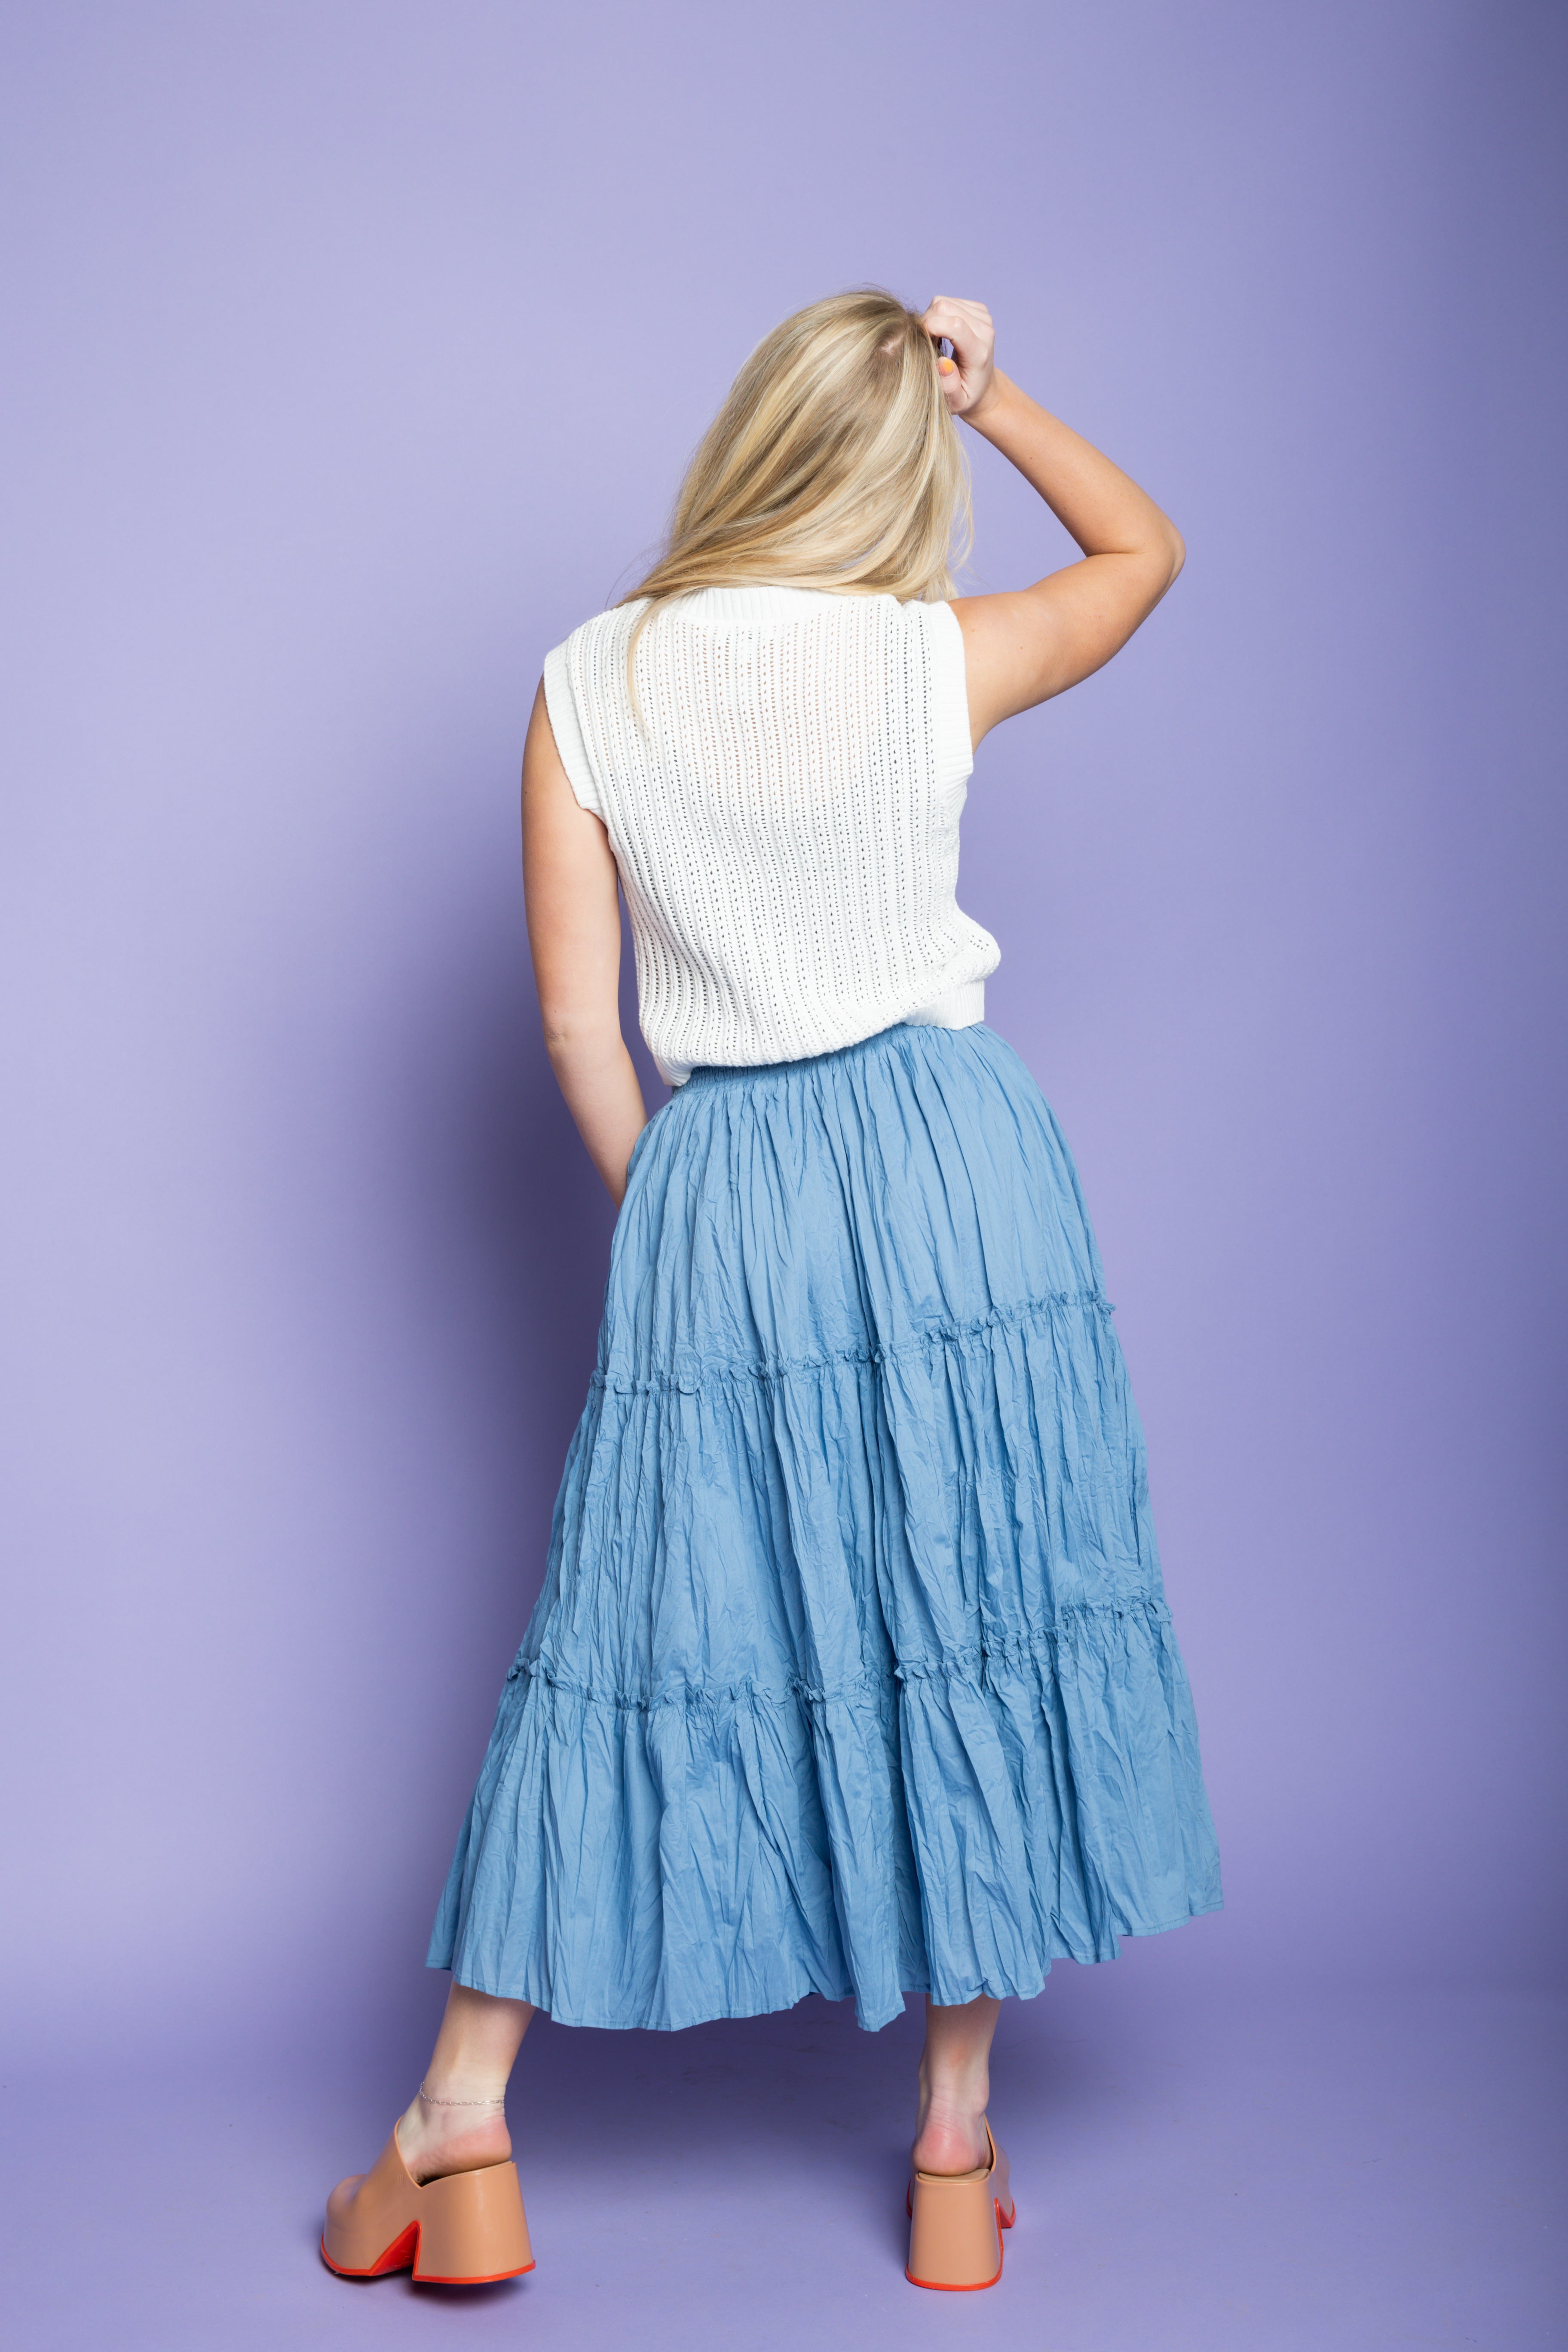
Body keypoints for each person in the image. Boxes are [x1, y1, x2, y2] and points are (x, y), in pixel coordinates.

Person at [321, 289, 1222, 2294]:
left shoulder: (586, 681)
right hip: (956, 1164)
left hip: (723, 1172)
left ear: (748, 437)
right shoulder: (931, 663)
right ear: (902, 455)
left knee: (630, 1630)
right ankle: (954, 2155)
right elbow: (1145, 552)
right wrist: (1006, 403)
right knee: (970, 1612)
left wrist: (690, 1237)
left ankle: (458, 2128)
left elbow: (579, 1032)